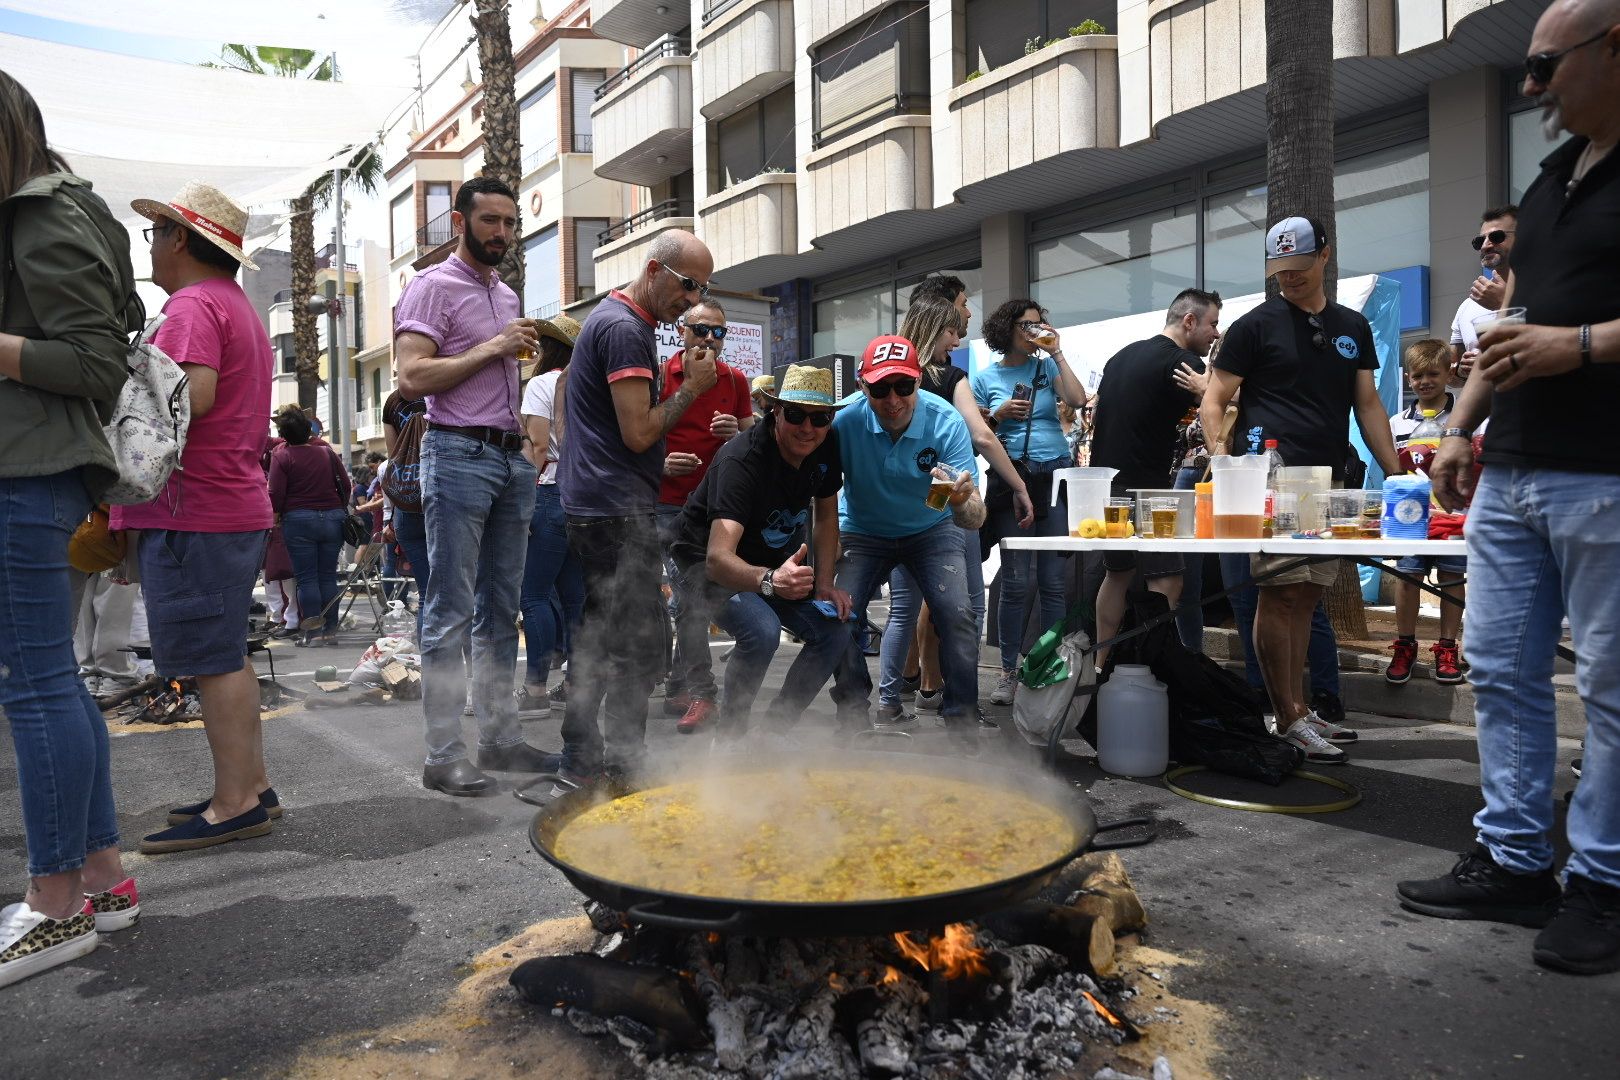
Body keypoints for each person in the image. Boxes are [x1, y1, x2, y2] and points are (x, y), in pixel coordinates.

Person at [1399, 0, 1620, 976]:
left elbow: (1551, 332)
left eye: (1543, 66)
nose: (1528, 88)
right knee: (1498, 669)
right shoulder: (1548, 182)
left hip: (1607, 472)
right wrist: (1457, 426)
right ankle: (1517, 859)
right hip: (1514, 472)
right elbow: (1504, 329)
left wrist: (1579, 346)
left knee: (1611, 691)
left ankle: (1606, 888)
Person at [0, 71, 135, 987]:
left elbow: (95, 360)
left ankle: (55, 907)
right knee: (52, 678)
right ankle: (102, 880)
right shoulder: (56, 207)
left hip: (24, 470)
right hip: (35, 471)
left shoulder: (40, 214)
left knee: (36, 682)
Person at [114, 181, 280, 852]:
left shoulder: (190, 305)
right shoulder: (235, 304)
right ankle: (250, 787)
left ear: (180, 239)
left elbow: (193, 396)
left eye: (155, 233)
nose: (148, 246)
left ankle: (236, 800)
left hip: (197, 509)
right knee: (225, 656)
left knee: (214, 662)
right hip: (225, 503)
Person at [1199, 215, 1401, 764]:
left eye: (1298, 266)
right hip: (1278, 473)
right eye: (1279, 269)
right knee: (1280, 593)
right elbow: (1213, 398)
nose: (1288, 277)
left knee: (1309, 596)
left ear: (1325, 256)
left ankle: (1299, 710)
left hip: (1331, 476)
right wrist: (1222, 459)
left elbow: (1369, 405)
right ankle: (1285, 714)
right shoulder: (1254, 325)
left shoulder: (1353, 327)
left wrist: (1399, 470)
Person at [394, 176, 546, 796]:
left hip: (510, 460)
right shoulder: (432, 286)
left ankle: (501, 739)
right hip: (457, 452)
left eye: (509, 223)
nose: (502, 233)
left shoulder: (506, 294)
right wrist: (493, 347)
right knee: (450, 610)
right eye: (490, 221)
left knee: (500, 610)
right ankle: (443, 753)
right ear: (461, 222)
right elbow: (411, 377)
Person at [551, 230, 718, 786]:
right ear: (653, 269)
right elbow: (640, 431)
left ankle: (582, 759)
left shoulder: (612, 320)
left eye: (702, 289)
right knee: (639, 649)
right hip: (615, 513)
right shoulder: (625, 329)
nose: (693, 301)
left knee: (598, 637)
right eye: (688, 285)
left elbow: (581, 412)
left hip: (598, 504)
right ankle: (622, 765)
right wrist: (692, 389)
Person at [666, 365, 854, 732]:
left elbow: (827, 517)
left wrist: (826, 583)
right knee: (762, 630)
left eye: (821, 418)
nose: (808, 428)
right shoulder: (743, 461)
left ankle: (774, 732)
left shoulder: (826, 442)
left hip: (766, 564)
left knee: (835, 631)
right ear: (775, 412)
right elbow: (718, 560)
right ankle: (731, 739)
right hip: (699, 559)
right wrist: (771, 580)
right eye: (796, 415)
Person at [877, 295, 1032, 723]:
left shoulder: (892, 382)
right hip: (950, 499)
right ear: (933, 331)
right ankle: (962, 706)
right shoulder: (950, 377)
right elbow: (981, 437)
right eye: (952, 331)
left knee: (903, 607)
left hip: (900, 504)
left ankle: (889, 703)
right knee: (966, 606)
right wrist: (1018, 484)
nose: (958, 339)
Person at [831, 335, 987, 743]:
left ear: (919, 381)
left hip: (931, 527)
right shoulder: (844, 423)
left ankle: (962, 721)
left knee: (957, 614)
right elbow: (821, 491)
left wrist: (961, 501)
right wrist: (824, 545)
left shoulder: (946, 422)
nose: (893, 399)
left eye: (904, 386)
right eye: (881, 388)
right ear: (863, 387)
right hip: (863, 529)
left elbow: (974, 517)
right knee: (837, 615)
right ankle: (852, 714)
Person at [1088, 288, 1221, 668]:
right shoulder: (1183, 362)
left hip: (1108, 485)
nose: (1214, 334)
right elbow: (1224, 402)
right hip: (1149, 490)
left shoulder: (1121, 356)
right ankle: (1148, 667)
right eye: (1211, 324)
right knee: (1168, 580)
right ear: (1189, 321)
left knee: (1118, 574)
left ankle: (1101, 665)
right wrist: (1206, 388)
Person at [973, 300, 1089, 706]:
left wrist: (1056, 350)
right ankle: (1007, 671)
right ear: (1008, 328)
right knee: (1017, 579)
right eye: (1027, 325)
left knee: (1054, 580)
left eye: (1040, 324)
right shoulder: (987, 378)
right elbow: (974, 433)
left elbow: (1076, 400)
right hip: (1012, 475)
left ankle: (1047, 667)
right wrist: (999, 415)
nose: (1035, 331)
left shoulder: (1047, 367)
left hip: (1055, 473)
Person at [657, 299, 754, 730]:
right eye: (701, 330)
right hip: (667, 501)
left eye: (718, 332)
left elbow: (754, 433)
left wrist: (737, 430)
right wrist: (660, 460)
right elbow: (635, 432)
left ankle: (690, 688)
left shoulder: (734, 379)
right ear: (683, 331)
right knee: (683, 598)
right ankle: (694, 689)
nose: (710, 339)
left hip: (716, 509)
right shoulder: (661, 375)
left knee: (689, 599)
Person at [1384, 339, 1467, 685]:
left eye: (1433, 373)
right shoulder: (1396, 422)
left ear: (1449, 373)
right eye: (1418, 375)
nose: (1425, 382)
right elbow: (1393, 470)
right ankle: (1405, 645)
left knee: (1452, 580)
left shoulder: (1467, 415)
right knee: (1407, 578)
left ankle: (1447, 648)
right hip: (1411, 519)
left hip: (1453, 516)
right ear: (1408, 378)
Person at [517, 314, 584, 717]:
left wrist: (522, 505)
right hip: (584, 497)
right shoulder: (588, 386)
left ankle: (536, 689)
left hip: (548, 493)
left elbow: (538, 448)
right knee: (575, 597)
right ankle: (576, 684)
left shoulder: (541, 384)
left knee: (535, 594)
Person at [268, 407, 351, 647]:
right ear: (308, 430)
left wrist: (277, 516)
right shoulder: (326, 453)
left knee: (306, 579)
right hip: (332, 518)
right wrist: (337, 508)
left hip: (299, 520)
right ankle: (330, 631)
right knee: (328, 577)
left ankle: (313, 634)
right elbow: (344, 485)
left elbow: (275, 493)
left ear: (284, 434)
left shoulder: (281, 456)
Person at [1449, 205, 1518, 384]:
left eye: (1496, 237)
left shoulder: (1545, 290)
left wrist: (1503, 304)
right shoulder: (1468, 306)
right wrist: (1462, 372)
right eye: (1480, 241)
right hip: (1488, 410)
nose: (1486, 245)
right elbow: (1450, 376)